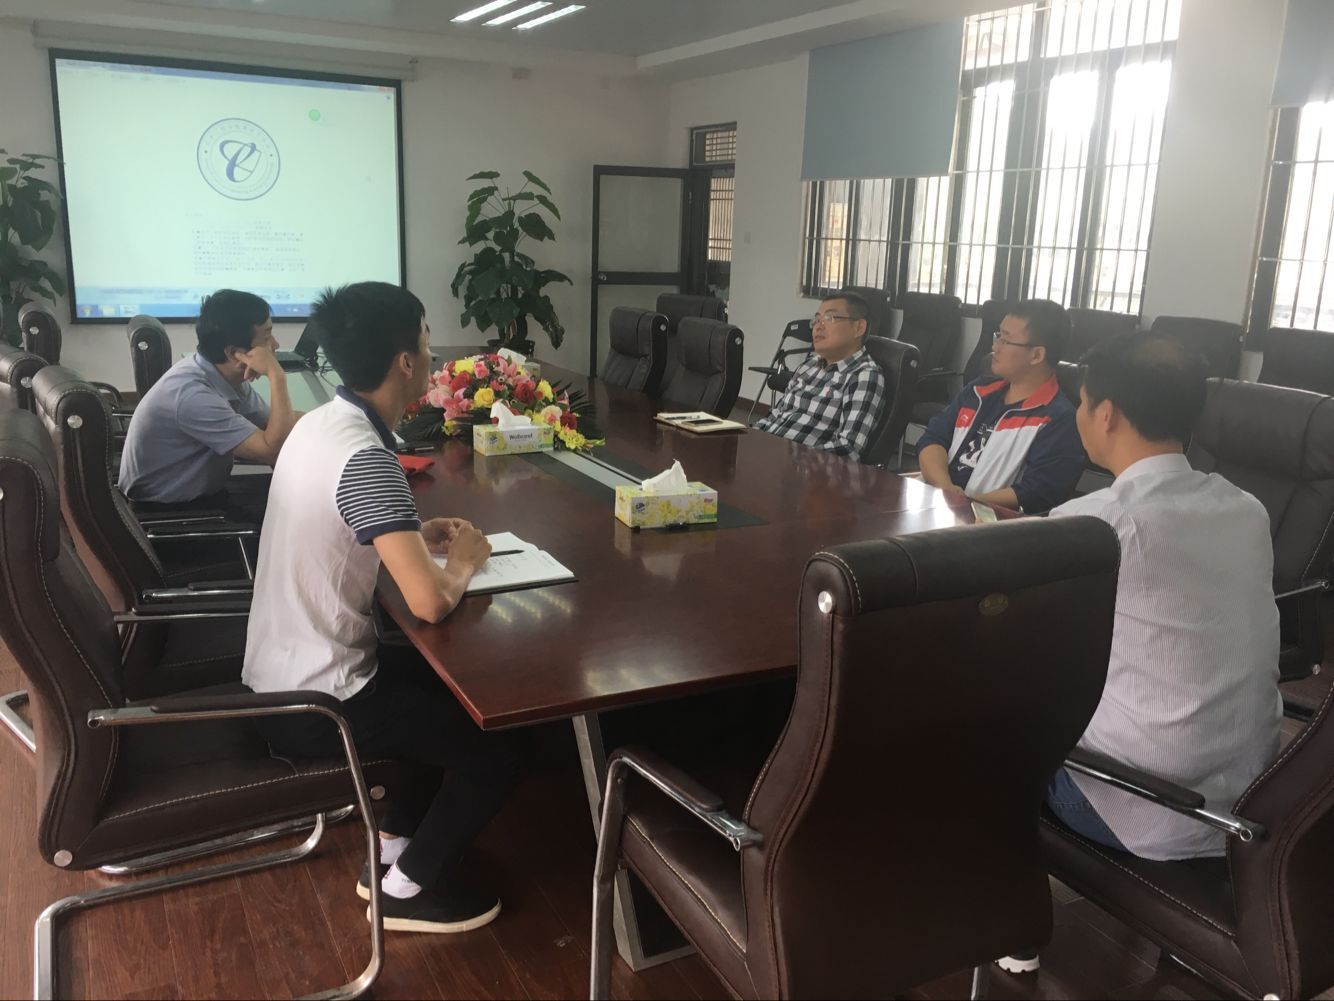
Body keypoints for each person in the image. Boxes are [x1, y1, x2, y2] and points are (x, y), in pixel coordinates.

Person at [242, 281, 525, 933]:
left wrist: (413, 534)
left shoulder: (320, 424)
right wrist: (462, 561)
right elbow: (430, 602)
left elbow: (338, 524)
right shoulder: (367, 458)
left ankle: (394, 842)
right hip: (319, 701)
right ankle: (407, 891)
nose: (431, 354)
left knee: (438, 688)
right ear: (405, 360)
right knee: (501, 746)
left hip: (279, 671)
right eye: (426, 340)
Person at [1001, 333, 1280, 974]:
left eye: (1082, 403)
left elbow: (1010, 622)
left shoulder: (1098, 522)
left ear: (1106, 414)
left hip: (1141, 808)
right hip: (1248, 801)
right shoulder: (1247, 509)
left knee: (985, 721)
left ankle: (1009, 922)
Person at [118, 290, 301, 514]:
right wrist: (277, 376)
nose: (276, 344)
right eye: (266, 337)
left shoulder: (220, 374)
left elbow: (273, 423)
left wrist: (332, 418)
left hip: (196, 492)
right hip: (170, 512)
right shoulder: (193, 396)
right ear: (234, 353)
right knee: (297, 512)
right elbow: (273, 450)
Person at [916, 299, 1084, 512]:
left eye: (1005, 340)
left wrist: (969, 503)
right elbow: (933, 439)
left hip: (991, 524)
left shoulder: (1058, 418)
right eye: (998, 336)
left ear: (1036, 355)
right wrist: (945, 488)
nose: (995, 346)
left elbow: (1038, 491)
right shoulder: (978, 391)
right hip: (941, 505)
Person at [753, 291, 886, 462]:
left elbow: (848, 449)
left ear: (858, 327)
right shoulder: (809, 365)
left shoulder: (864, 375)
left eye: (830, 318)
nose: (818, 326)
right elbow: (776, 415)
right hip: (767, 455)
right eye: (816, 320)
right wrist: (749, 438)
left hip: (802, 469)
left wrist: (788, 458)